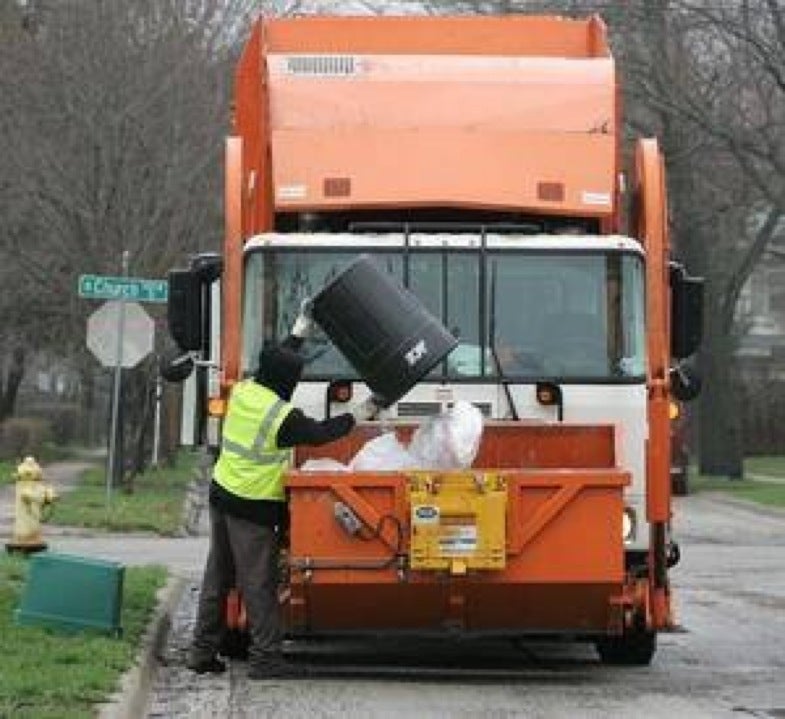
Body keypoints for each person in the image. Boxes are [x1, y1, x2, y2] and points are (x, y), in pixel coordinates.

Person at [187, 304, 381, 679]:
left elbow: (277, 359)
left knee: (218, 576)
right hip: (252, 506)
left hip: (222, 494)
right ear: (286, 384)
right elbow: (323, 434)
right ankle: (266, 659)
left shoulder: (245, 390)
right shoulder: (281, 417)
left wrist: (300, 329)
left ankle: (201, 652)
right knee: (258, 583)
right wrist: (365, 410)